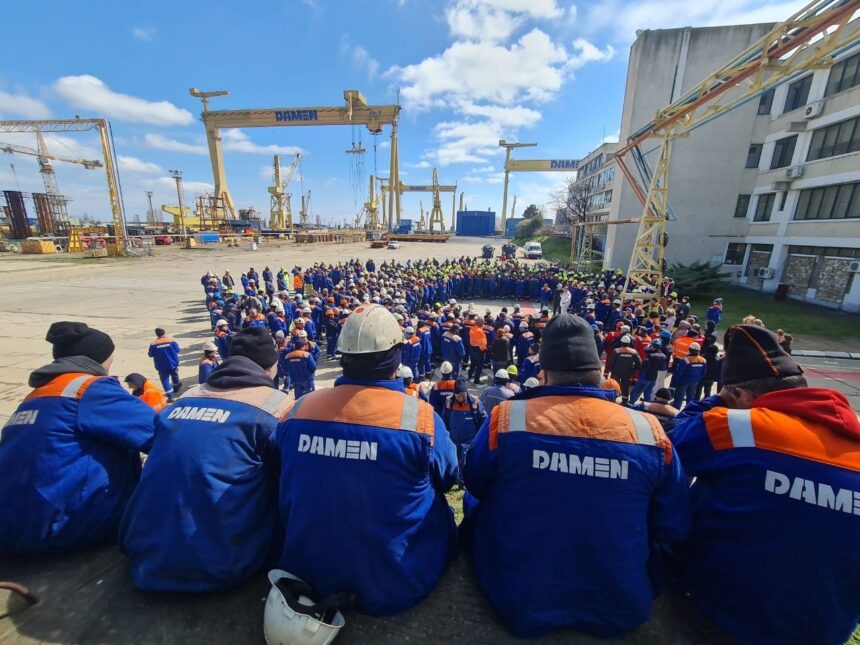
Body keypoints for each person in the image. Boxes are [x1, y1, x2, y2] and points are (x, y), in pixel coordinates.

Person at [461, 313, 690, 638]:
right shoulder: (647, 429)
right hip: (622, 605)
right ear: (600, 371)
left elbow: (476, 482)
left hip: (519, 599)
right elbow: (673, 523)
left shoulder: (508, 417)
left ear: (544, 373)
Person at [671, 324, 860, 645]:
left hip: (718, 615)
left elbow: (674, 443)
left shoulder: (739, 426)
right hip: (824, 630)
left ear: (741, 395)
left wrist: (719, 400)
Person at [274, 304, 459, 615]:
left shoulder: (299, 409)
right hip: (397, 583)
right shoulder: (418, 418)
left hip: (307, 573)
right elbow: (449, 477)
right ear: (396, 356)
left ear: (344, 356)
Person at [120, 327, 290, 592]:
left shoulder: (182, 401)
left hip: (144, 553)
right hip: (225, 563)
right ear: (271, 367)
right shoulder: (274, 407)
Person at [0, 322, 155, 555]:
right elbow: (165, 436)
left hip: (14, 528)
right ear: (99, 360)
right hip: (67, 527)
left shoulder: (35, 396)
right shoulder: (90, 390)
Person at [441, 378, 486, 481]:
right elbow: (444, 419)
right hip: (454, 440)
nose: (461, 398)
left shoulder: (475, 403)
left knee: (466, 463)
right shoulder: (449, 402)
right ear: (454, 394)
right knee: (454, 461)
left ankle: (465, 481)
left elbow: (484, 420)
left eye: (463, 396)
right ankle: (457, 479)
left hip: (469, 440)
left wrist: (478, 438)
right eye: (458, 396)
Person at [629, 339, 667, 404]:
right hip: (654, 376)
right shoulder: (663, 356)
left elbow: (643, 366)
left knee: (637, 390)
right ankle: (647, 406)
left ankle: (630, 403)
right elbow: (662, 368)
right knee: (648, 392)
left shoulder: (650, 356)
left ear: (652, 346)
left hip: (646, 376)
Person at [670, 342, 707, 409]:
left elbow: (679, 373)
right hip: (695, 381)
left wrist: (675, 383)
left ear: (689, 350)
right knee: (691, 398)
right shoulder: (703, 360)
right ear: (699, 351)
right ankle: (688, 412)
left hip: (683, 382)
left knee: (679, 397)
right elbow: (704, 373)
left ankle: (675, 412)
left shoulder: (685, 360)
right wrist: (697, 379)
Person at [148, 327, 181, 402]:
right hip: (172, 363)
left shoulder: (153, 344)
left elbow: (150, 354)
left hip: (161, 365)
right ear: (164, 333)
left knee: (165, 381)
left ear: (156, 334)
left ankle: (170, 397)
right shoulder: (171, 341)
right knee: (175, 375)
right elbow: (178, 350)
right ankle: (176, 386)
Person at [607, 335, 641, 405]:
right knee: (625, 387)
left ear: (621, 342)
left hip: (616, 372)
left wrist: (611, 370)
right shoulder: (634, 352)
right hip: (627, 372)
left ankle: (612, 399)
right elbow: (639, 363)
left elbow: (611, 362)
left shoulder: (616, 351)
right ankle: (625, 401)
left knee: (614, 385)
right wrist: (632, 369)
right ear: (629, 343)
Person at [468, 316, 488, 384]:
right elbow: (482, 343)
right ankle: (476, 380)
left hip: (472, 348)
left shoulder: (472, 328)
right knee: (479, 365)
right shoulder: (480, 331)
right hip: (479, 350)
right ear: (481, 323)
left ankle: (470, 375)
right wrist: (485, 350)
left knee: (473, 363)